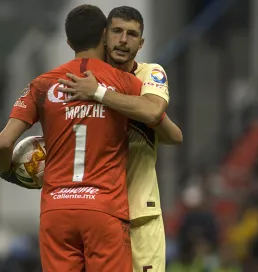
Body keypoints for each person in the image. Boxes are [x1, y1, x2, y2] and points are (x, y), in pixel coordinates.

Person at [0, 4, 167, 272]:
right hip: (104, 209)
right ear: (104, 35)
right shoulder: (123, 83)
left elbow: (2, 143)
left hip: (56, 210)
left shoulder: (41, 85)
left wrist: (6, 172)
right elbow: (157, 117)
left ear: (68, 41)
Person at [58, 6, 182, 272]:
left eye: (132, 34)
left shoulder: (149, 73)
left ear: (141, 42)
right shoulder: (84, 78)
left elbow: (159, 118)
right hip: (96, 211)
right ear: (104, 36)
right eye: (117, 31)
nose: (123, 40)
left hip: (140, 214)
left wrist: (100, 93)